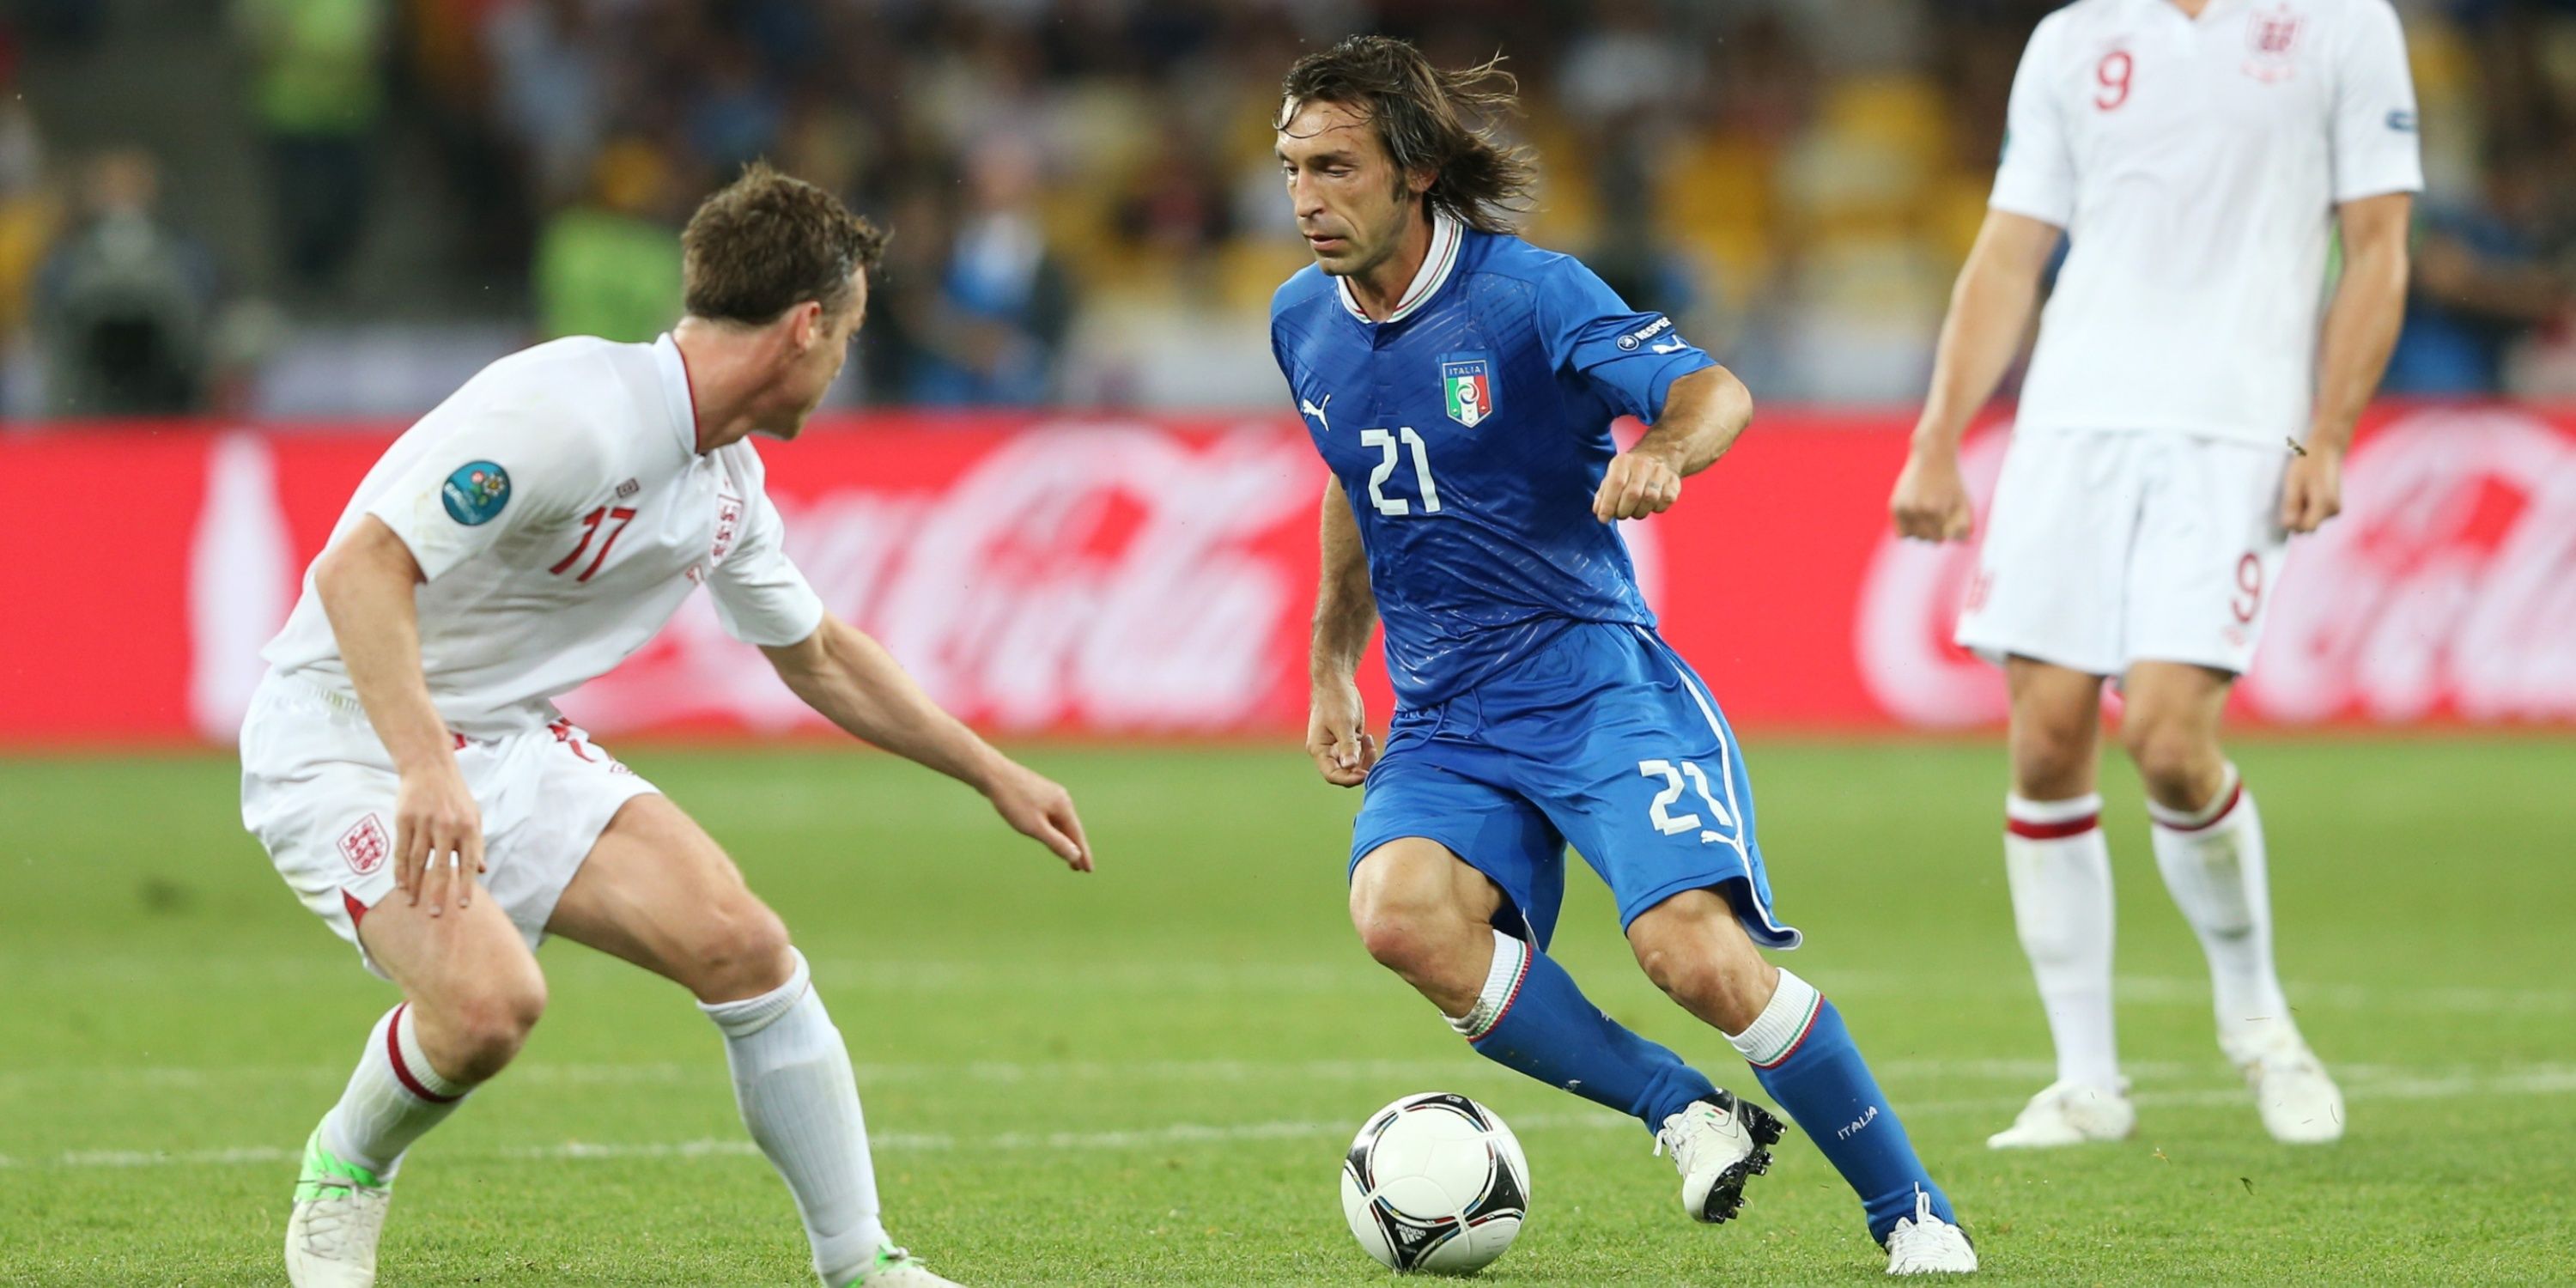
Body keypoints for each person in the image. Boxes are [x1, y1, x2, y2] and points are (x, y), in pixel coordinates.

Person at [241, 163, 1093, 1288]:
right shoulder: (568, 414)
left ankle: (861, 1266)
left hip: (500, 737)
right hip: (348, 733)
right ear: (804, 327)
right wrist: (419, 767)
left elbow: (821, 655)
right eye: (846, 336)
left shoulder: (724, 480)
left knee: (743, 946)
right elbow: (360, 567)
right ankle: (345, 1168)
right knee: (489, 1009)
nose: (845, 365)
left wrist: (991, 773)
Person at [1270, 37, 1976, 1276]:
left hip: (1591, 681)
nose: (1305, 198)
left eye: (1334, 167)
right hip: (1443, 711)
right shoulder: (1300, 323)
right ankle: (1684, 1110)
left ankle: (1911, 1211)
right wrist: (1334, 664)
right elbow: (1355, 482)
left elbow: (1715, 392)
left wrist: (1663, 452)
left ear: (1417, 168)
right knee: (1398, 917)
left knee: (1687, 952)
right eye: (1291, 168)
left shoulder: (1531, 295)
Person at [1887, 0, 2419, 1148]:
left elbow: (2379, 245)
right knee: (2044, 743)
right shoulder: (2078, 37)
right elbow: (2014, 249)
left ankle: (2262, 1028)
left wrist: (2329, 433)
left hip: (2233, 430)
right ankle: (2087, 1083)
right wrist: (1940, 435)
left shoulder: (2339, 26)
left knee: (2171, 742)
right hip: (2072, 424)